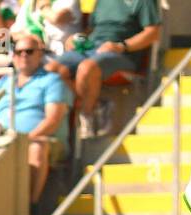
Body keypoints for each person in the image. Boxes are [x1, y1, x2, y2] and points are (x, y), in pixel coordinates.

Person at [0, 33, 70, 207]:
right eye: (18, 51)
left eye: (29, 51)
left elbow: (53, 119)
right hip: (4, 138)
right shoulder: (3, 82)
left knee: (36, 148)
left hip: (41, 140)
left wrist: (24, 140)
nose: (23, 55)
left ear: (40, 54)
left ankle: (30, 207)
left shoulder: (52, 80)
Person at [52, 0, 160, 138]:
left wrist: (122, 46)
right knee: (52, 68)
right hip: (91, 48)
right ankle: (96, 104)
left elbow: (153, 32)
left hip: (122, 54)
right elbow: (92, 30)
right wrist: (76, 38)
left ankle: (87, 116)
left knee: (86, 68)